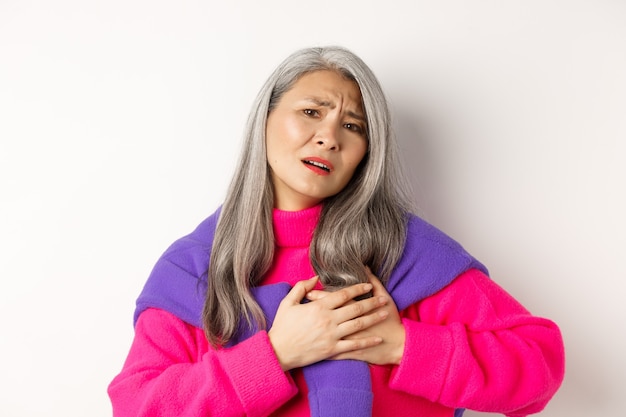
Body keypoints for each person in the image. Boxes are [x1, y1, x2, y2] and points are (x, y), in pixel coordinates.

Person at [108, 46, 565, 417]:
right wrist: (275, 355)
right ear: (264, 120)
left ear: (366, 152)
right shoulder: (195, 266)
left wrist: (403, 344)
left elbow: (538, 366)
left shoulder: (407, 254)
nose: (330, 136)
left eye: (352, 126)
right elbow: (136, 408)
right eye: (311, 111)